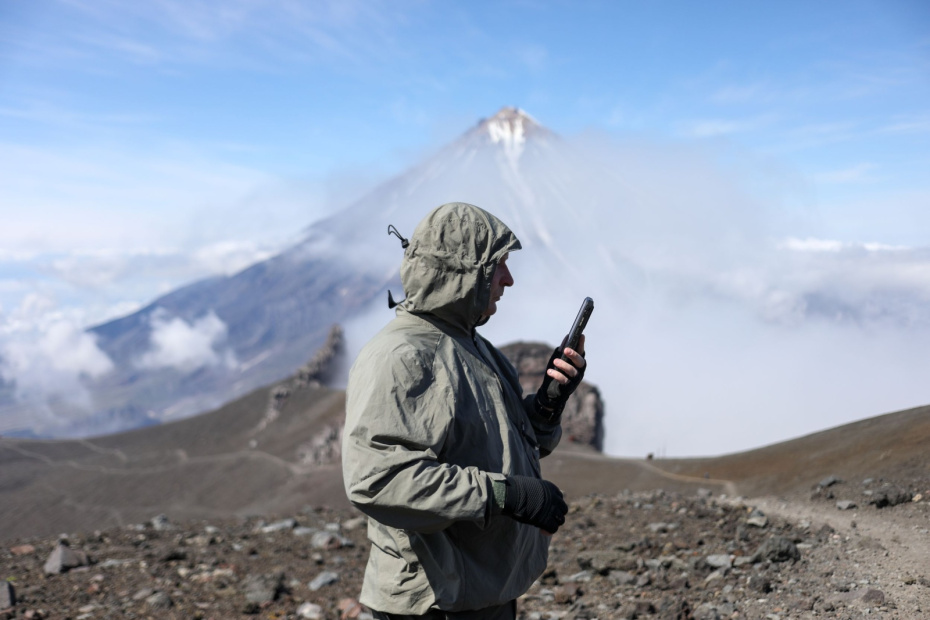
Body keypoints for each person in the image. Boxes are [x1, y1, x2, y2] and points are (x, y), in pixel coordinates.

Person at [342, 202, 587, 619]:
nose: (509, 280)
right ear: (461, 273)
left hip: (477, 591)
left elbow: (499, 443)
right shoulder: (402, 356)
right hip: (431, 600)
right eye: (498, 266)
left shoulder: (472, 346)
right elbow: (379, 480)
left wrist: (548, 403)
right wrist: (507, 495)